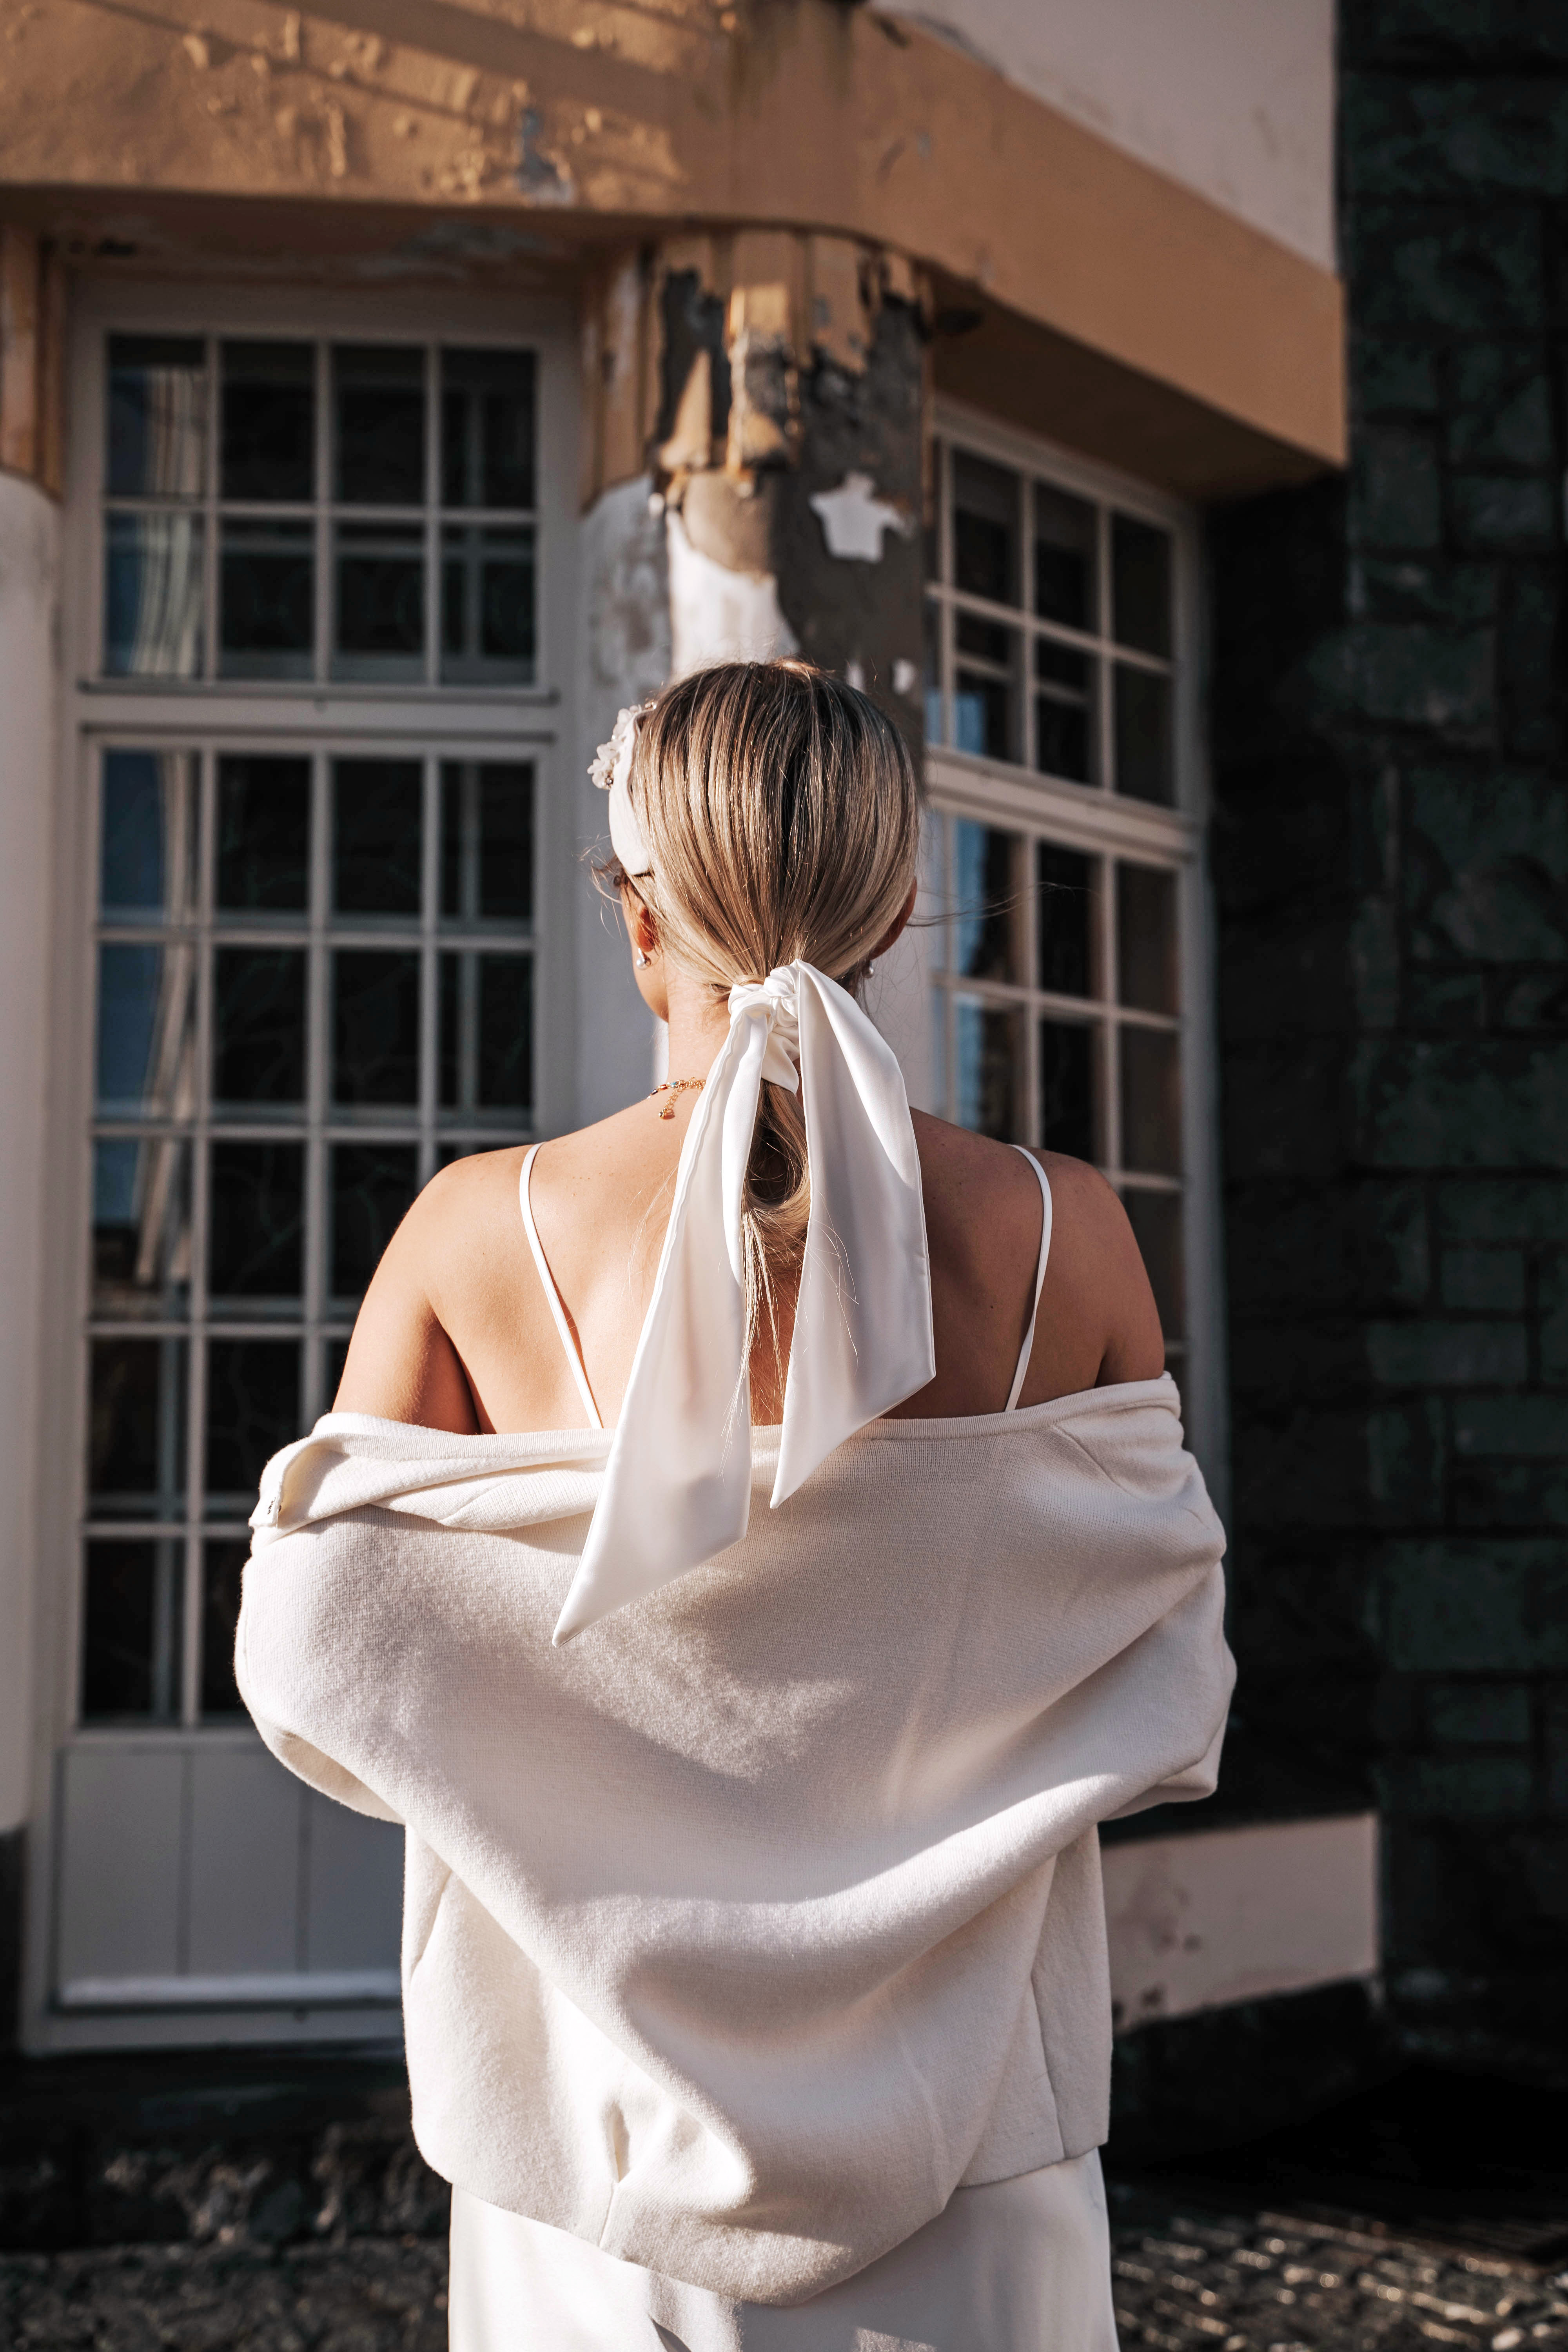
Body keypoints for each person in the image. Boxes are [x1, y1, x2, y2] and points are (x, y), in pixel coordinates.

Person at [238, 659, 1233, 2351]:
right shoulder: (1066, 1236)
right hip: (978, 2153)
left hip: (587, 2158)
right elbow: (1169, 1656)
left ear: (640, 919)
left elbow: (315, 1661)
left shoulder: (478, 1234)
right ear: (897, 910)